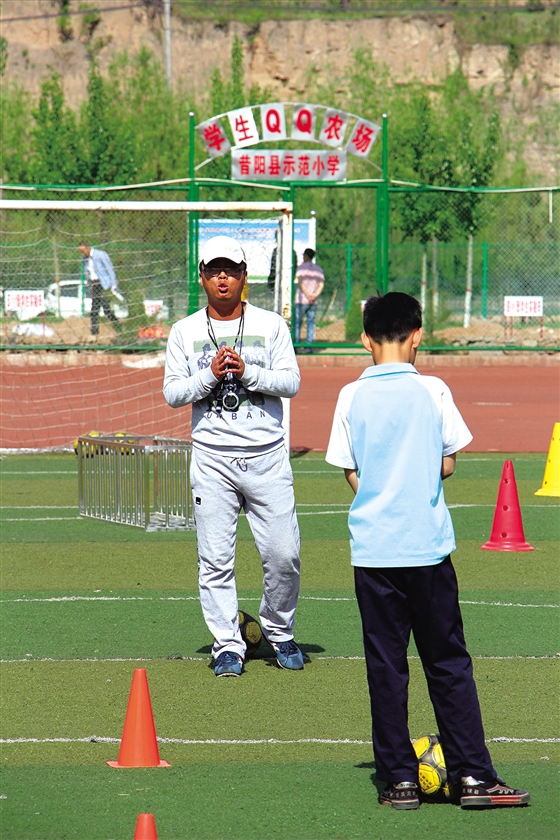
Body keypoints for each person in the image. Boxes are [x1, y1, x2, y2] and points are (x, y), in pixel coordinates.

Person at [326, 292, 530, 811]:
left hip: (374, 553)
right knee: (447, 663)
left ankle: (397, 780)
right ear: (419, 335)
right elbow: (449, 464)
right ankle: (473, 778)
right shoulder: (434, 390)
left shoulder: (350, 397)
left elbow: (353, 473)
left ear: (365, 339)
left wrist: (382, 487)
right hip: (428, 550)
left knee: (386, 667)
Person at [163, 235, 304, 677]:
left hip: (267, 457)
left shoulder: (272, 325)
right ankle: (228, 644)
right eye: (214, 270)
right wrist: (208, 376)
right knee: (215, 559)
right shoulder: (184, 331)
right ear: (202, 276)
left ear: (245, 278)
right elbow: (172, 393)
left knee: (284, 555)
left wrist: (249, 372)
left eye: (232, 270)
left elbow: (292, 382)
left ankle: (278, 631)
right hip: (212, 459)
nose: (223, 278)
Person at [78, 242, 121, 337]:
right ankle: (98, 331)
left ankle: (114, 328)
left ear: (88, 248)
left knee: (100, 308)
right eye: (80, 252)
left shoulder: (100, 254)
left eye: (83, 251)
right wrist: (89, 286)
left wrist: (113, 283)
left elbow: (110, 269)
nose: (82, 254)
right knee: (99, 308)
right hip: (94, 284)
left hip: (102, 283)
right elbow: (87, 273)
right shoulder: (84, 259)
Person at [294, 248, 324, 347]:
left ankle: (296, 344)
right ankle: (309, 346)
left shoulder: (301, 268)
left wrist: (307, 295)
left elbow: (300, 282)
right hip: (313, 301)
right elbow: (321, 284)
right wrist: (314, 295)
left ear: (306, 256)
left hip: (301, 299)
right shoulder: (318, 269)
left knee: (297, 322)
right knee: (311, 322)